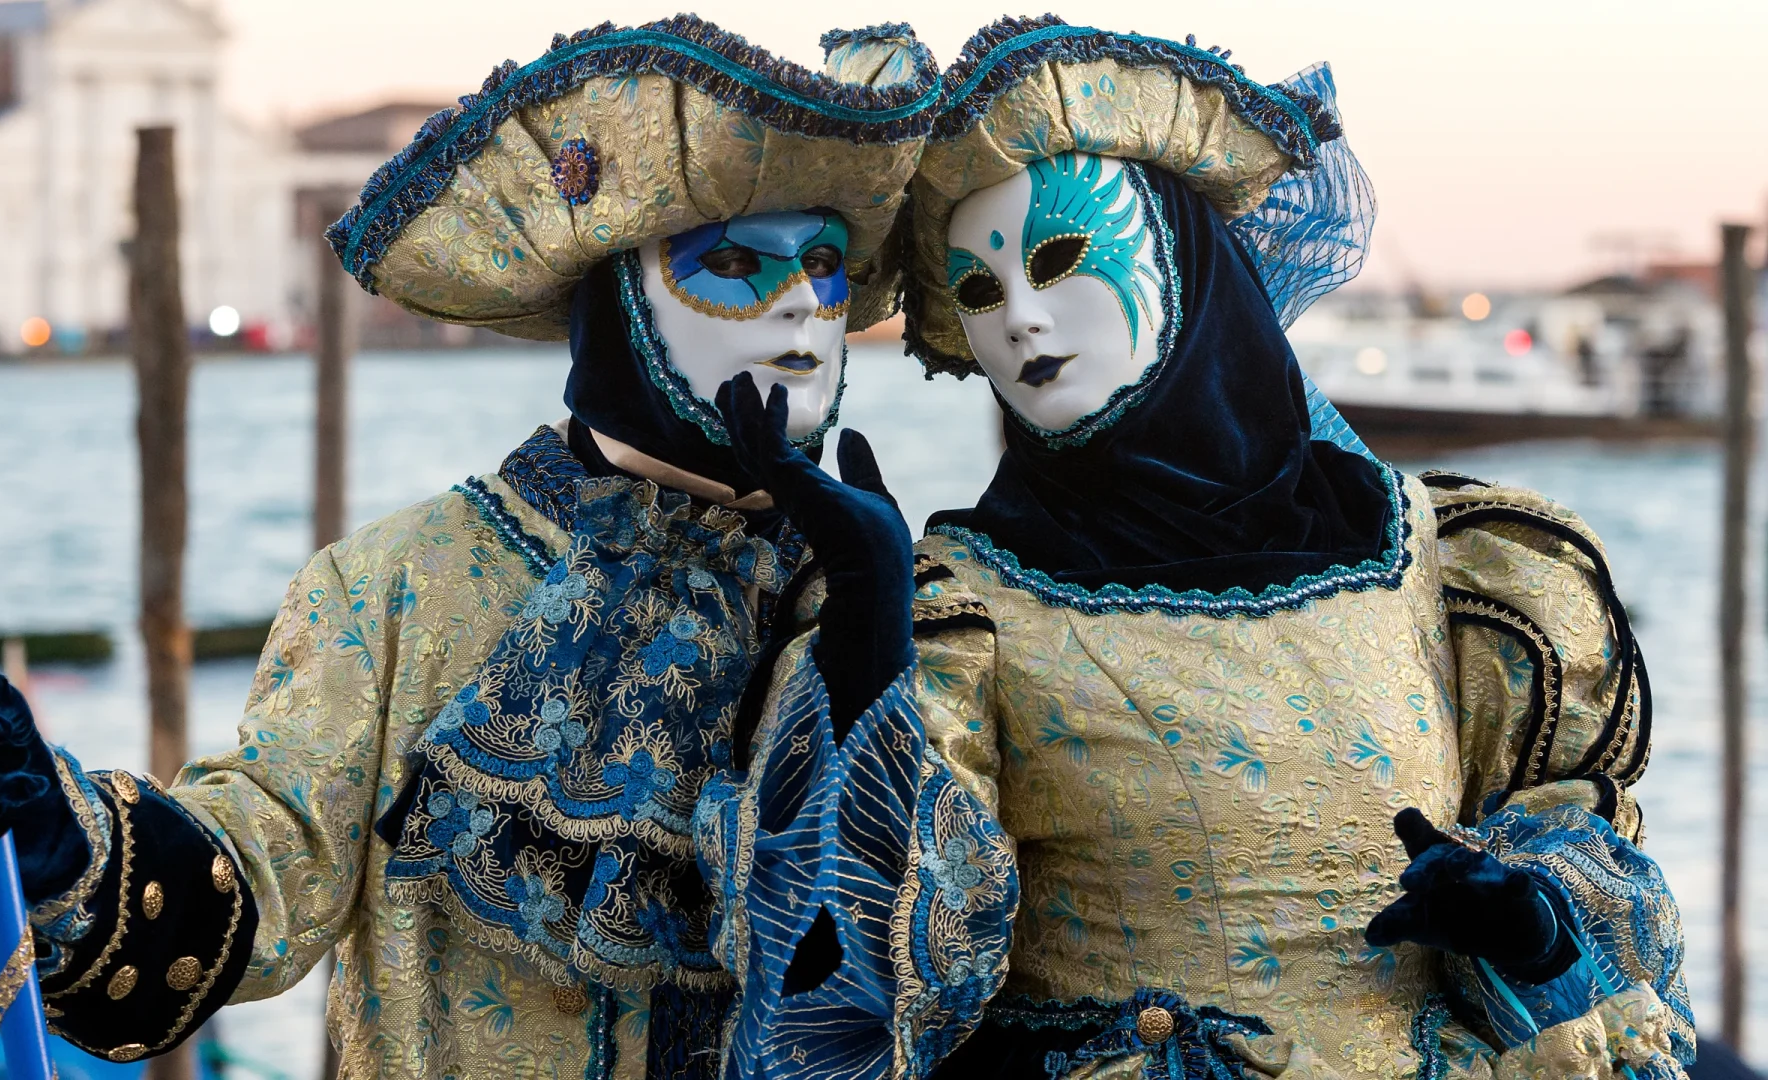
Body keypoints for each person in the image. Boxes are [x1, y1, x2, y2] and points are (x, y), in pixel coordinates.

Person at [0, 17, 939, 1078]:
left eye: (825, 265)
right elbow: (260, 877)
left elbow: (927, 992)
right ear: (618, 300)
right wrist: (61, 843)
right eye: (735, 264)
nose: (804, 305)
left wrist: (867, 653)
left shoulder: (881, 601)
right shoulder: (398, 589)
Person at [700, 17, 1692, 1080]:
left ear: (1188, 258)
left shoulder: (1456, 568)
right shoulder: (964, 613)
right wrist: (867, 638)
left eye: (1059, 259)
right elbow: (843, 1016)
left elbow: (1612, 920)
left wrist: (1534, 926)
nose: (1023, 320)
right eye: (981, 291)